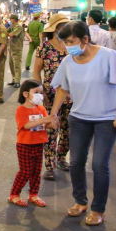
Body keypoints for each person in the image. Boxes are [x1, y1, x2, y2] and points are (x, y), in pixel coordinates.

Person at [50, 21, 116, 226]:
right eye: (65, 42)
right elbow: (62, 88)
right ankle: (80, 202)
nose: (68, 46)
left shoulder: (108, 56)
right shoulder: (68, 61)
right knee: (77, 161)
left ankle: (98, 209)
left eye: (71, 41)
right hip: (79, 118)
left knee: (99, 164)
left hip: (107, 119)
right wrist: (53, 114)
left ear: (85, 39)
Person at [33, 14, 72, 180]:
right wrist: (40, 92)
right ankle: (49, 165)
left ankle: (62, 157)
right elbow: (36, 71)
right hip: (50, 95)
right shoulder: (44, 48)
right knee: (50, 130)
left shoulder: (73, 47)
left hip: (73, 97)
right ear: (56, 29)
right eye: (63, 26)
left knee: (68, 131)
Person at [8, 79, 56, 208]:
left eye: (41, 92)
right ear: (25, 94)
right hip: (25, 144)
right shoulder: (21, 110)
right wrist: (44, 119)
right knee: (25, 172)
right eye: (36, 92)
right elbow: (27, 125)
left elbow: (47, 125)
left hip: (38, 144)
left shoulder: (41, 109)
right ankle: (14, 194)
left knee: (36, 172)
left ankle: (33, 194)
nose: (40, 95)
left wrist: (52, 123)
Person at [7, 14, 24, 88]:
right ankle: (14, 79)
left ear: (13, 20)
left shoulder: (18, 27)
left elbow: (11, 35)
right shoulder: (12, 27)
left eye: (10, 19)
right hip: (11, 49)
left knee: (16, 65)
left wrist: (5, 33)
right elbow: (6, 31)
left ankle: (17, 81)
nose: (9, 21)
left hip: (17, 49)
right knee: (11, 65)